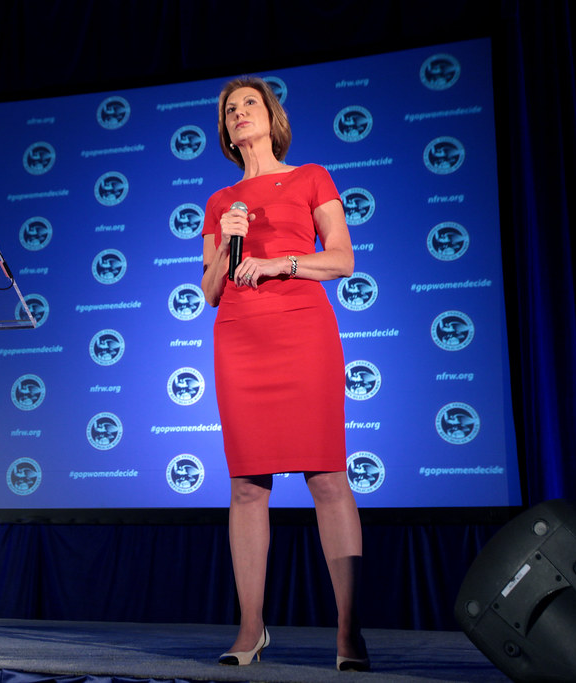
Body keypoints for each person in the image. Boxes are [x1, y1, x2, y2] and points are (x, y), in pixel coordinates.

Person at [200, 76, 369, 672]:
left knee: (326, 477)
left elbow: (344, 259)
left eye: (250, 103)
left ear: (272, 117)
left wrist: (280, 262)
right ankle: (250, 628)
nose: (240, 112)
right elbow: (210, 291)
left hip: (302, 329)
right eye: (230, 108)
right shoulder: (221, 202)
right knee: (247, 485)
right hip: (240, 339)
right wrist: (231, 246)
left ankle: (349, 630)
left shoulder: (311, 177)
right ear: (224, 130)